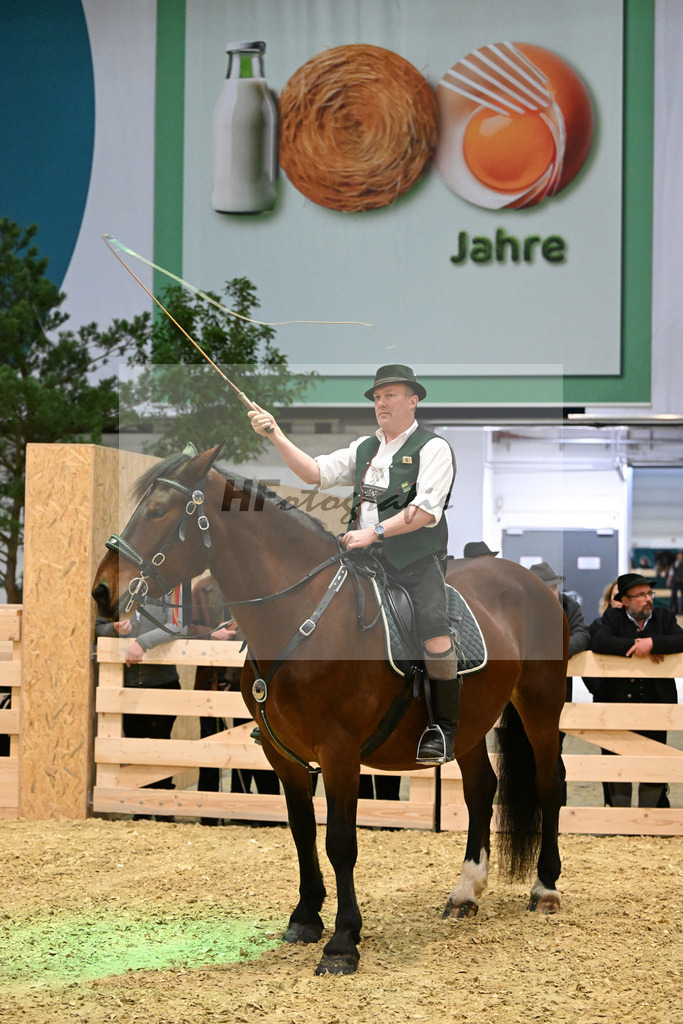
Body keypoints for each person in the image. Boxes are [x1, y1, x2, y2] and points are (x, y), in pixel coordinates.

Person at [248, 363, 458, 765]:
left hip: (414, 560)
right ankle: (290, 713)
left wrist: (374, 533)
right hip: (361, 557)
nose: (381, 403)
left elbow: (425, 511)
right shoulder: (364, 448)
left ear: (413, 401)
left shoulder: (433, 449)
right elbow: (313, 473)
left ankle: (443, 728)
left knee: (433, 629)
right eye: (377, 397)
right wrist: (275, 433)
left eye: (390, 395)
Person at [590, 572, 683, 808]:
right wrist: (635, 645)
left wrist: (653, 643)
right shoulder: (612, 617)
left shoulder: (664, 616)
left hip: (657, 705)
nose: (647, 599)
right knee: (616, 762)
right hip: (618, 704)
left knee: (653, 763)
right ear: (626, 600)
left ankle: (646, 822)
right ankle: (621, 822)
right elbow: (600, 642)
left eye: (649, 593)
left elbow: (680, 638)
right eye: (640, 595)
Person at [95, 598, 184, 818]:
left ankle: (162, 807)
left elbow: (177, 626)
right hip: (127, 686)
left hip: (163, 683)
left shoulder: (164, 592)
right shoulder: (117, 595)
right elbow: (98, 629)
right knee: (134, 745)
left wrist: (142, 643)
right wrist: (113, 628)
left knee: (160, 745)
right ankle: (141, 809)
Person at [529, 561, 590, 804]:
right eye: (547, 587)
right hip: (527, 690)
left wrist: (557, 653)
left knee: (554, 750)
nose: (552, 592)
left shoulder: (568, 605)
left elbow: (582, 634)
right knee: (522, 749)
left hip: (556, 691)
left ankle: (555, 808)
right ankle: (528, 806)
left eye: (554, 587)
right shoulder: (523, 607)